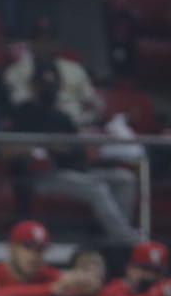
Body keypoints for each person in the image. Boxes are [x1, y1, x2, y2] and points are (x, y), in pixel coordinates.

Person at [9, 61, 140, 242]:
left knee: (125, 178)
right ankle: (126, 238)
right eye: (45, 83)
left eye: (54, 83)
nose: (50, 88)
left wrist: (71, 149)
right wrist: (47, 147)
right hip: (45, 175)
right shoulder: (24, 112)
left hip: (76, 172)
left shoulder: (62, 117)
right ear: (34, 85)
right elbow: (10, 148)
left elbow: (76, 150)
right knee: (96, 188)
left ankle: (115, 238)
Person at [3, 16, 102, 127]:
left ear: (57, 43)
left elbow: (93, 105)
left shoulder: (75, 69)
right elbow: (21, 106)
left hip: (75, 127)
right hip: (38, 129)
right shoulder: (15, 72)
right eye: (39, 40)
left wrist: (83, 121)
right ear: (31, 43)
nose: (45, 44)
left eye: (49, 40)